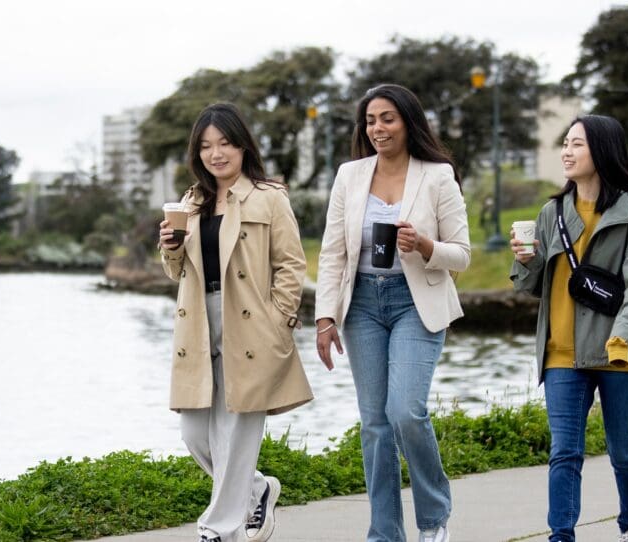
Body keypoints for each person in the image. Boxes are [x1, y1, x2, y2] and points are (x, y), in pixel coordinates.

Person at [315, 84, 470, 542]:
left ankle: (434, 517)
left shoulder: (437, 176)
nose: (377, 128)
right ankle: (384, 534)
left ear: (408, 122)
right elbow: (332, 252)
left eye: (387, 118)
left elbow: (461, 254)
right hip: (361, 304)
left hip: (413, 302)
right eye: (370, 120)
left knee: (405, 411)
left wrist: (423, 245)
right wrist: (326, 317)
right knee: (376, 425)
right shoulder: (350, 175)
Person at [159, 103, 312, 542]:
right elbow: (177, 271)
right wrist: (170, 246)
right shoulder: (191, 201)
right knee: (195, 434)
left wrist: (279, 319)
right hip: (198, 325)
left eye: (225, 143)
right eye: (207, 146)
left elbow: (290, 264)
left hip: (251, 325)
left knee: (238, 433)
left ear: (243, 145)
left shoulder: (268, 197)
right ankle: (259, 490)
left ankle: (219, 530)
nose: (217, 154)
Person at [510, 115, 628, 542]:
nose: (566, 151)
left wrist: (624, 337)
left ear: (602, 150)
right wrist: (523, 262)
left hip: (622, 352)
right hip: (563, 351)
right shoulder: (551, 212)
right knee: (564, 452)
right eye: (565, 143)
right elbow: (531, 286)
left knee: (624, 452)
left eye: (577, 143)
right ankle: (561, 536)